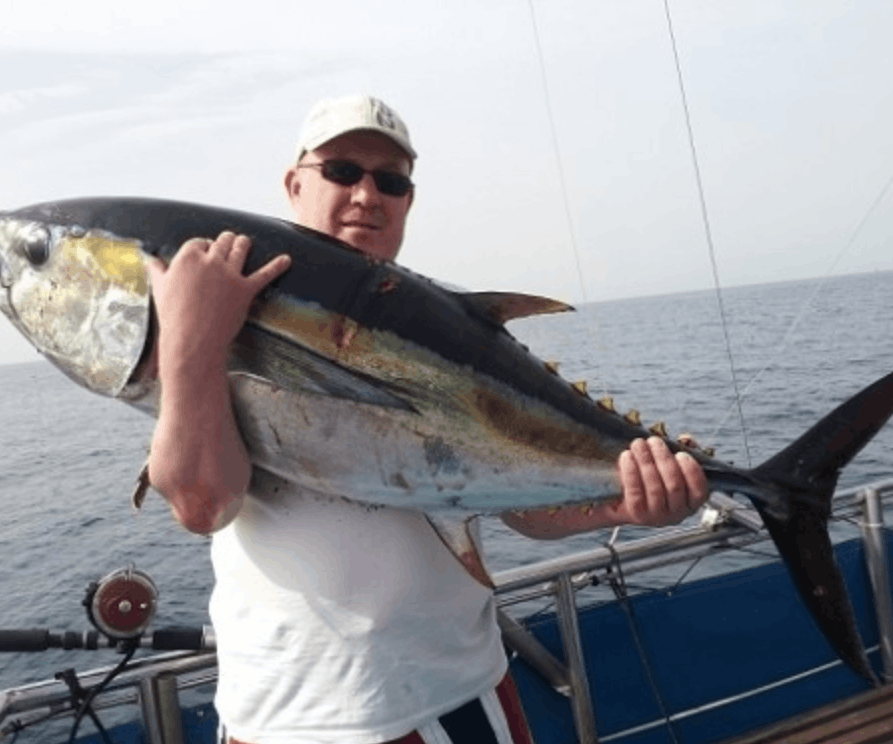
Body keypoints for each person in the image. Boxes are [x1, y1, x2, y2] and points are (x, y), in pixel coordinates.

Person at [146, 95, 709, 744]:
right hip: (285, 720)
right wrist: (192, 346)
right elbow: (201, 504)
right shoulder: (215, 317)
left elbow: (521, 502)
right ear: (293, 182)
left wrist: (626, 505)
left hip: (463, 700)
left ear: (409, 199)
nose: (365, 194)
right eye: (341, 171)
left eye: (391, 180)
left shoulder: (453, 326)